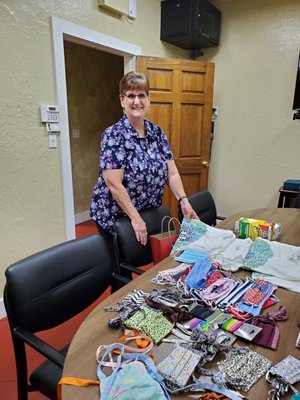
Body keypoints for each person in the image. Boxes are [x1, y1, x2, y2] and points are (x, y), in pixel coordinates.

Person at [90, 71, 198, 248]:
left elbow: (171, 173)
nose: (136, 101)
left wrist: (183, 200)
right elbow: (113, 183)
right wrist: (135, 218)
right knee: (120, 271)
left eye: (141, 95)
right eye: (130, 95)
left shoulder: (157, 132)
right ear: (122, 100)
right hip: (116, 217)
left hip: (147, 212)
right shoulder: (113, 135)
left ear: (149, 99)